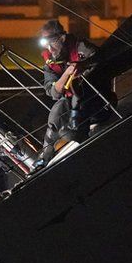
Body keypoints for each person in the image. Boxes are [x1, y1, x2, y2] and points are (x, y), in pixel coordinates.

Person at [38, 19, 100, 162]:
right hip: (72, 108)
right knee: (58, 107)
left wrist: (83, 64)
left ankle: (85, 148)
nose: (50, 49)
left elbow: (101, 57)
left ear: (62, 38)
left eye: (53, 42)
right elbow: (53, 92)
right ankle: (45, 155)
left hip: (95, 100)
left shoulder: (80, 47)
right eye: (46, 44)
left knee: (72, 105)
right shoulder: (50, 61)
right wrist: (67, 74)